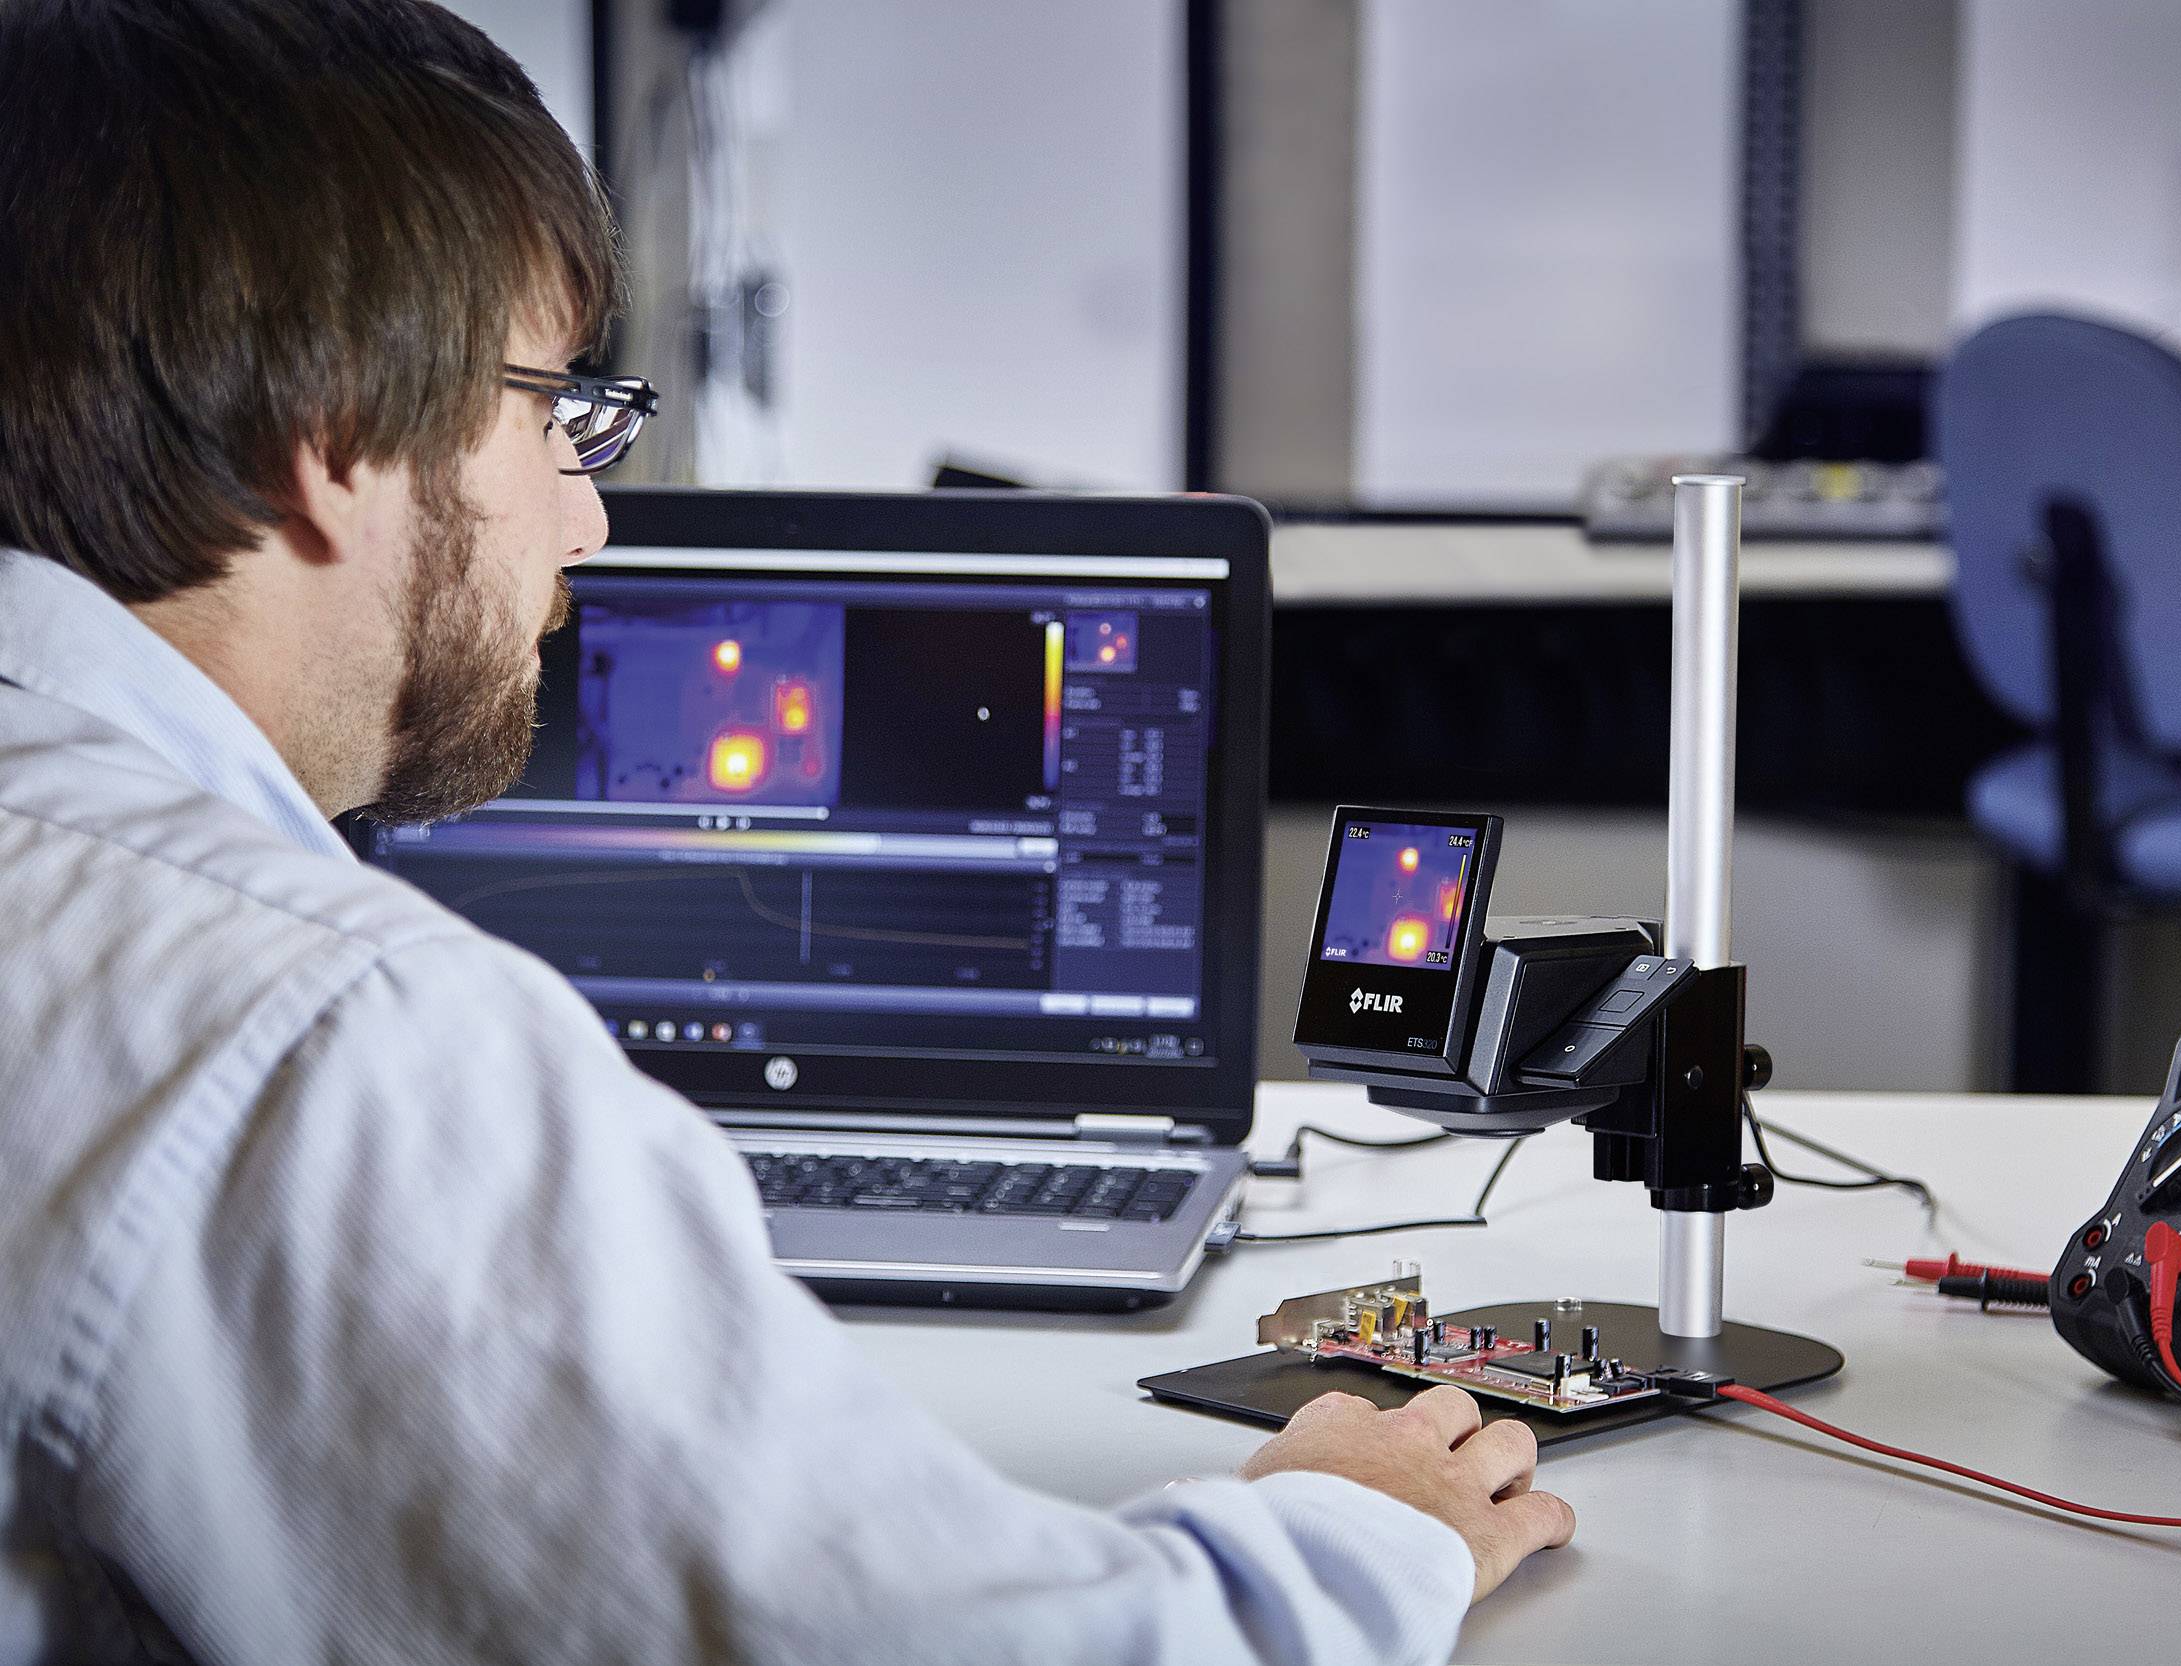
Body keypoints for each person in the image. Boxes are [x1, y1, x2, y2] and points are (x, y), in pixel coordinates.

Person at [0, 1, 1575, 1660]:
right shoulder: (313, 1036)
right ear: (329, 433)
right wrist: (1355, 1525)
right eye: (558, 413)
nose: (591, 513)